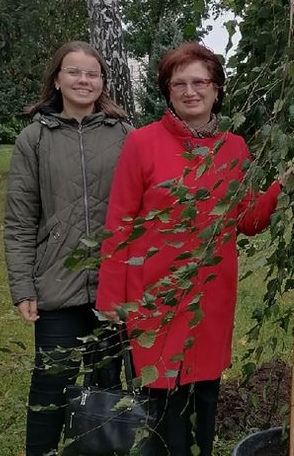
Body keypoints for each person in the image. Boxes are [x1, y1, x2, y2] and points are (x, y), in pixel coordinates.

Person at [96, 42, 281, 455]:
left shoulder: (234, 148)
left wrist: (285, 183)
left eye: (199, 81)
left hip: (211, 297)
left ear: (216, 89)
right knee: (160, 405)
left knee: (203, 399)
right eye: (178, 83)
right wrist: (111, 297)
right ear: (167, 92)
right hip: (153, 297)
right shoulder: (142, 144)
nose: (189, 90)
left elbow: (249, 219)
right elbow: (119, 223)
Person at [4, 41, 131, 455]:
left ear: (103, 82)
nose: (83, 80)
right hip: (58, 286)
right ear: (57, 79)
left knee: (108, 384)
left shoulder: (125, 135)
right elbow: (20, 220)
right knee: (50, 384)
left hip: (114, 286)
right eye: (74, 72)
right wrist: (23, 286)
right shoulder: (34, 139)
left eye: (92, 73)